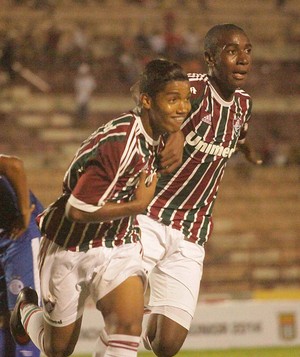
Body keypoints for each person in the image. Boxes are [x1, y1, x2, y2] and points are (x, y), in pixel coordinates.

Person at [10, 58, 191, 357]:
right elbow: (77, 210)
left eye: (185, 100)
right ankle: (26, 311)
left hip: (119, 243)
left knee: (129, 327)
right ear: (147, 101)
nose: (183, 108)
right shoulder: (119, 143)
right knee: (58, 348)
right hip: (70, 244)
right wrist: (138, 205)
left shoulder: (160, 129)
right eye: (173, 100)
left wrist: (178, 133)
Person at [136, 23, 262, 357]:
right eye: (232, 51)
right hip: (149, 217)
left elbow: (241, 133)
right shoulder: (191, 89)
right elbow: (147, 100)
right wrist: (175, 129)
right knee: (121, 315)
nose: (242, 59)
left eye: (247, 50)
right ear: (209, 57)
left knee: (166, 345)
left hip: (192, 232)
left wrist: (247, 150)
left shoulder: (244, 105)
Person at [0, 154, 43, 357]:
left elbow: (13, 165)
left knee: (22, 309)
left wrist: (25, 212)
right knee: (3, 315)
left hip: (19, 235)